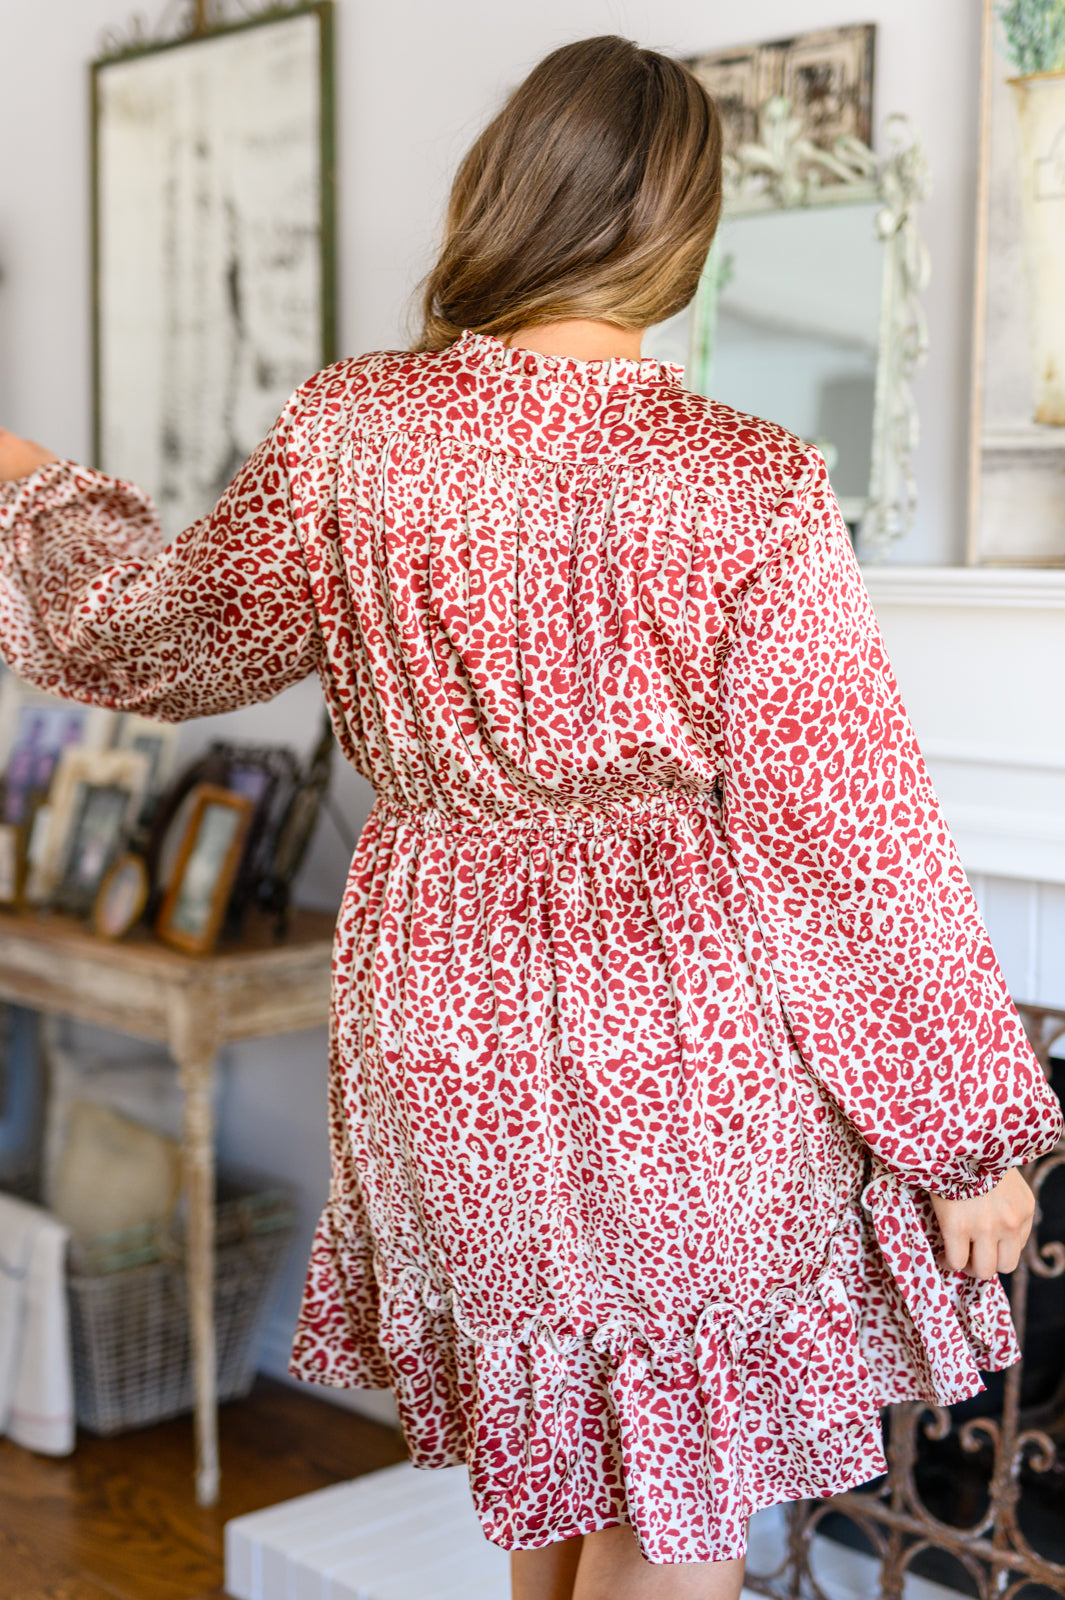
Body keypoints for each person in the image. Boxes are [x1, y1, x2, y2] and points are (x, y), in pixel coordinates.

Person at [0, 34, 1060, 1600]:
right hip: (673, 1028)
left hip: (443, 1017)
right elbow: (845, 832)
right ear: (684, 228)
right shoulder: (741, 477)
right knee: (673, 1508)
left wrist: (26, 487)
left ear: (504, 190)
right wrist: (965, 1134)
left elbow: (152, 639)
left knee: (562, 1475)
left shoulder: (352, 435)